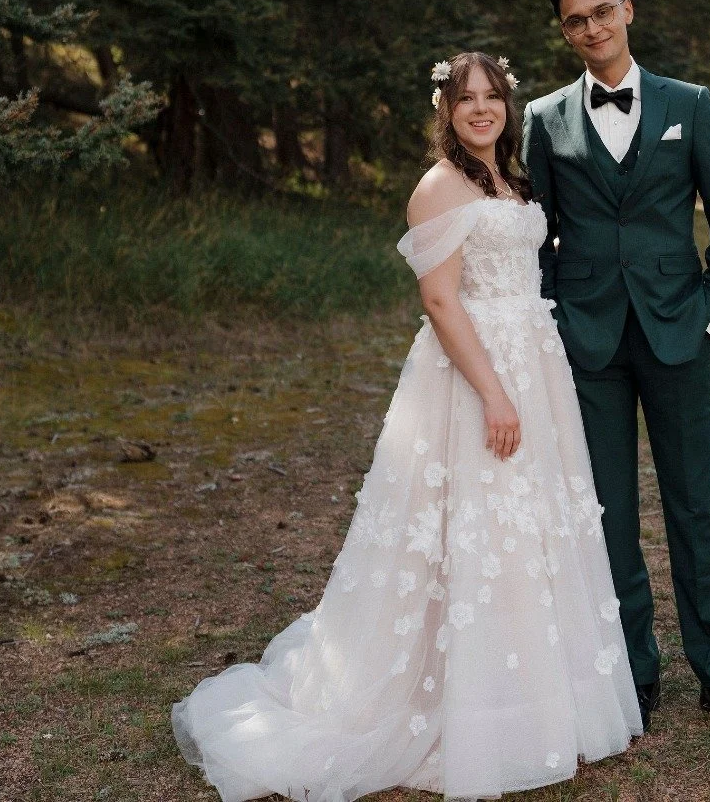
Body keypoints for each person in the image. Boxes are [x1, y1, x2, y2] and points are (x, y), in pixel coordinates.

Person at [171, 51, 641, 802]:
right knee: (471, 528)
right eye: (466, 99)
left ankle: (534, 699)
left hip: (534, 367)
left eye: (492, 97)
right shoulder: (439, 187)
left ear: (507, 108)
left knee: (527, 533)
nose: (481, 109)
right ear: (446, 111)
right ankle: (454, 707)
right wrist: (493, 392)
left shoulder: (512, 181)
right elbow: (441, 303)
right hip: (474, 375)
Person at [521, 0, 710, 747]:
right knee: (608, 516)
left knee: (693, 508)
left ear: (628, 9)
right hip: (587, 342)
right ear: (564, 32)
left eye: (601, 12)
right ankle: (634, 673)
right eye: (574, 20)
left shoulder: (689, 106)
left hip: (676, 332)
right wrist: (553, 315)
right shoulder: (544, 117)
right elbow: (535, 235)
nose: (590, 27)